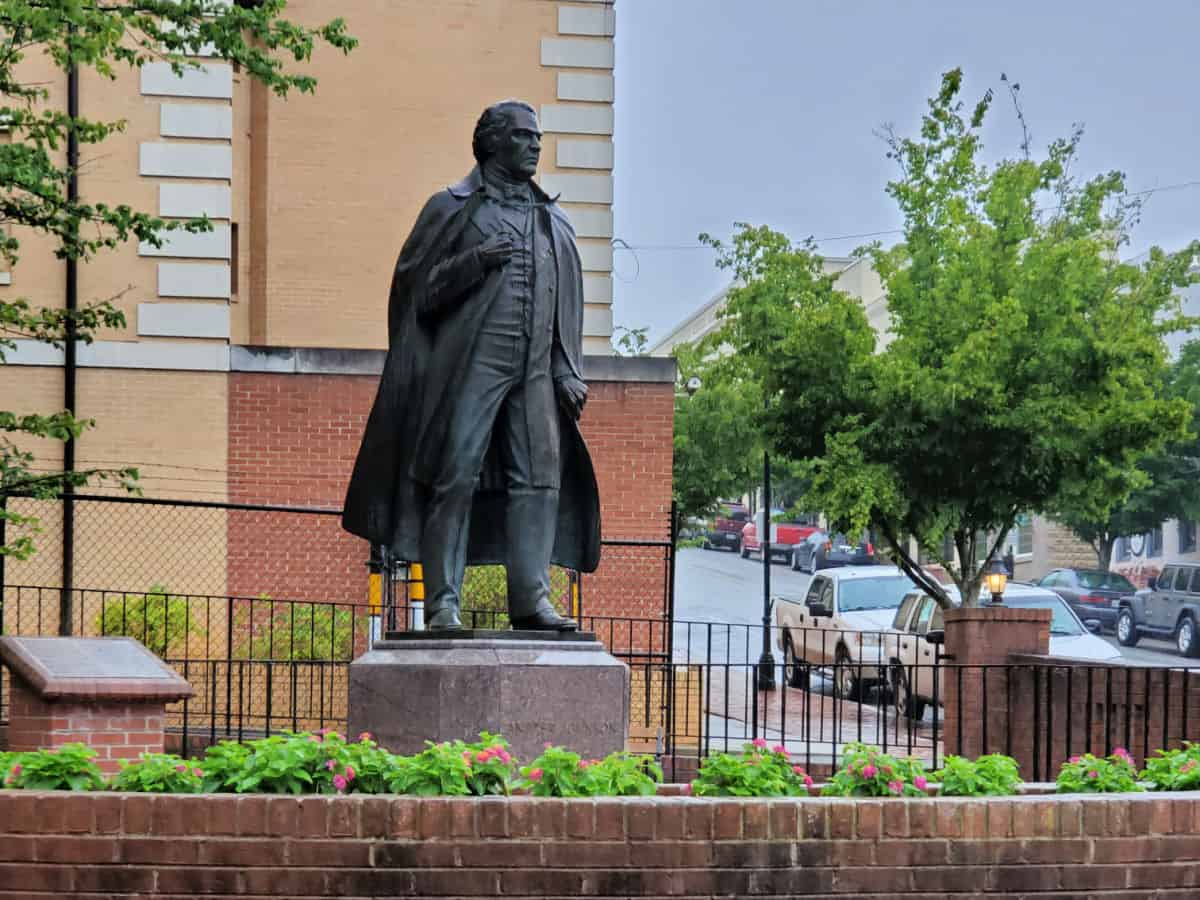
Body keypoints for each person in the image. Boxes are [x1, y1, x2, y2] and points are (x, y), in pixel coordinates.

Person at [342, 100, 601, 632]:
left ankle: (531, 598)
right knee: (454, 474)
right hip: (470, 364)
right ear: (492, 143)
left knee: (539, 478)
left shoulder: (551, 219)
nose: (535, 145)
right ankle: (442, 603)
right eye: (524, 136)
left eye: (538, 137)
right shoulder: (454, 208)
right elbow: (418, 294)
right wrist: (476, 262)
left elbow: (564, 300)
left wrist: (565, 367)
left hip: (533, 372)